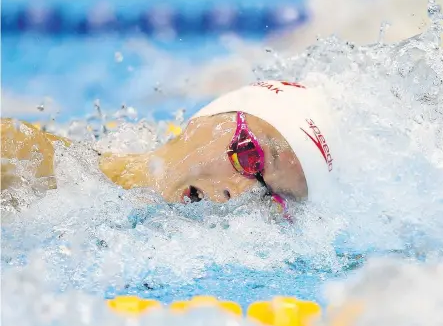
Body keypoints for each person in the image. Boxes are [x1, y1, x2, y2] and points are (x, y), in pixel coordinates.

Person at [1, 80, 338, 217]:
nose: (240, 194)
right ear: (202, 120)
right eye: (250, 158)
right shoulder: (23, 159)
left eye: (269, 197)